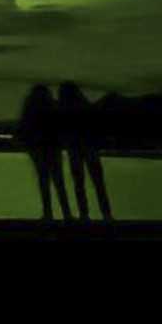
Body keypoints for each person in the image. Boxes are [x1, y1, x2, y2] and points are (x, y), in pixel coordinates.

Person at [58, 80, 113, 222]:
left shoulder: (64, 110)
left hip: (75, 150)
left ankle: (84, 215)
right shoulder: (84, 107)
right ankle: (106, 214)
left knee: (79, 184)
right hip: (89, 148)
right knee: (98, 183)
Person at [17, 84, 72, 222]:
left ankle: (49, 213)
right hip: (52, 150)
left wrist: (31, 147)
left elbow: (24, 130)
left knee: (44, 183)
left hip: (39, 152)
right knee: (59, 183)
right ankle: (67, 214)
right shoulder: (52, 107)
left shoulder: (30, 109)